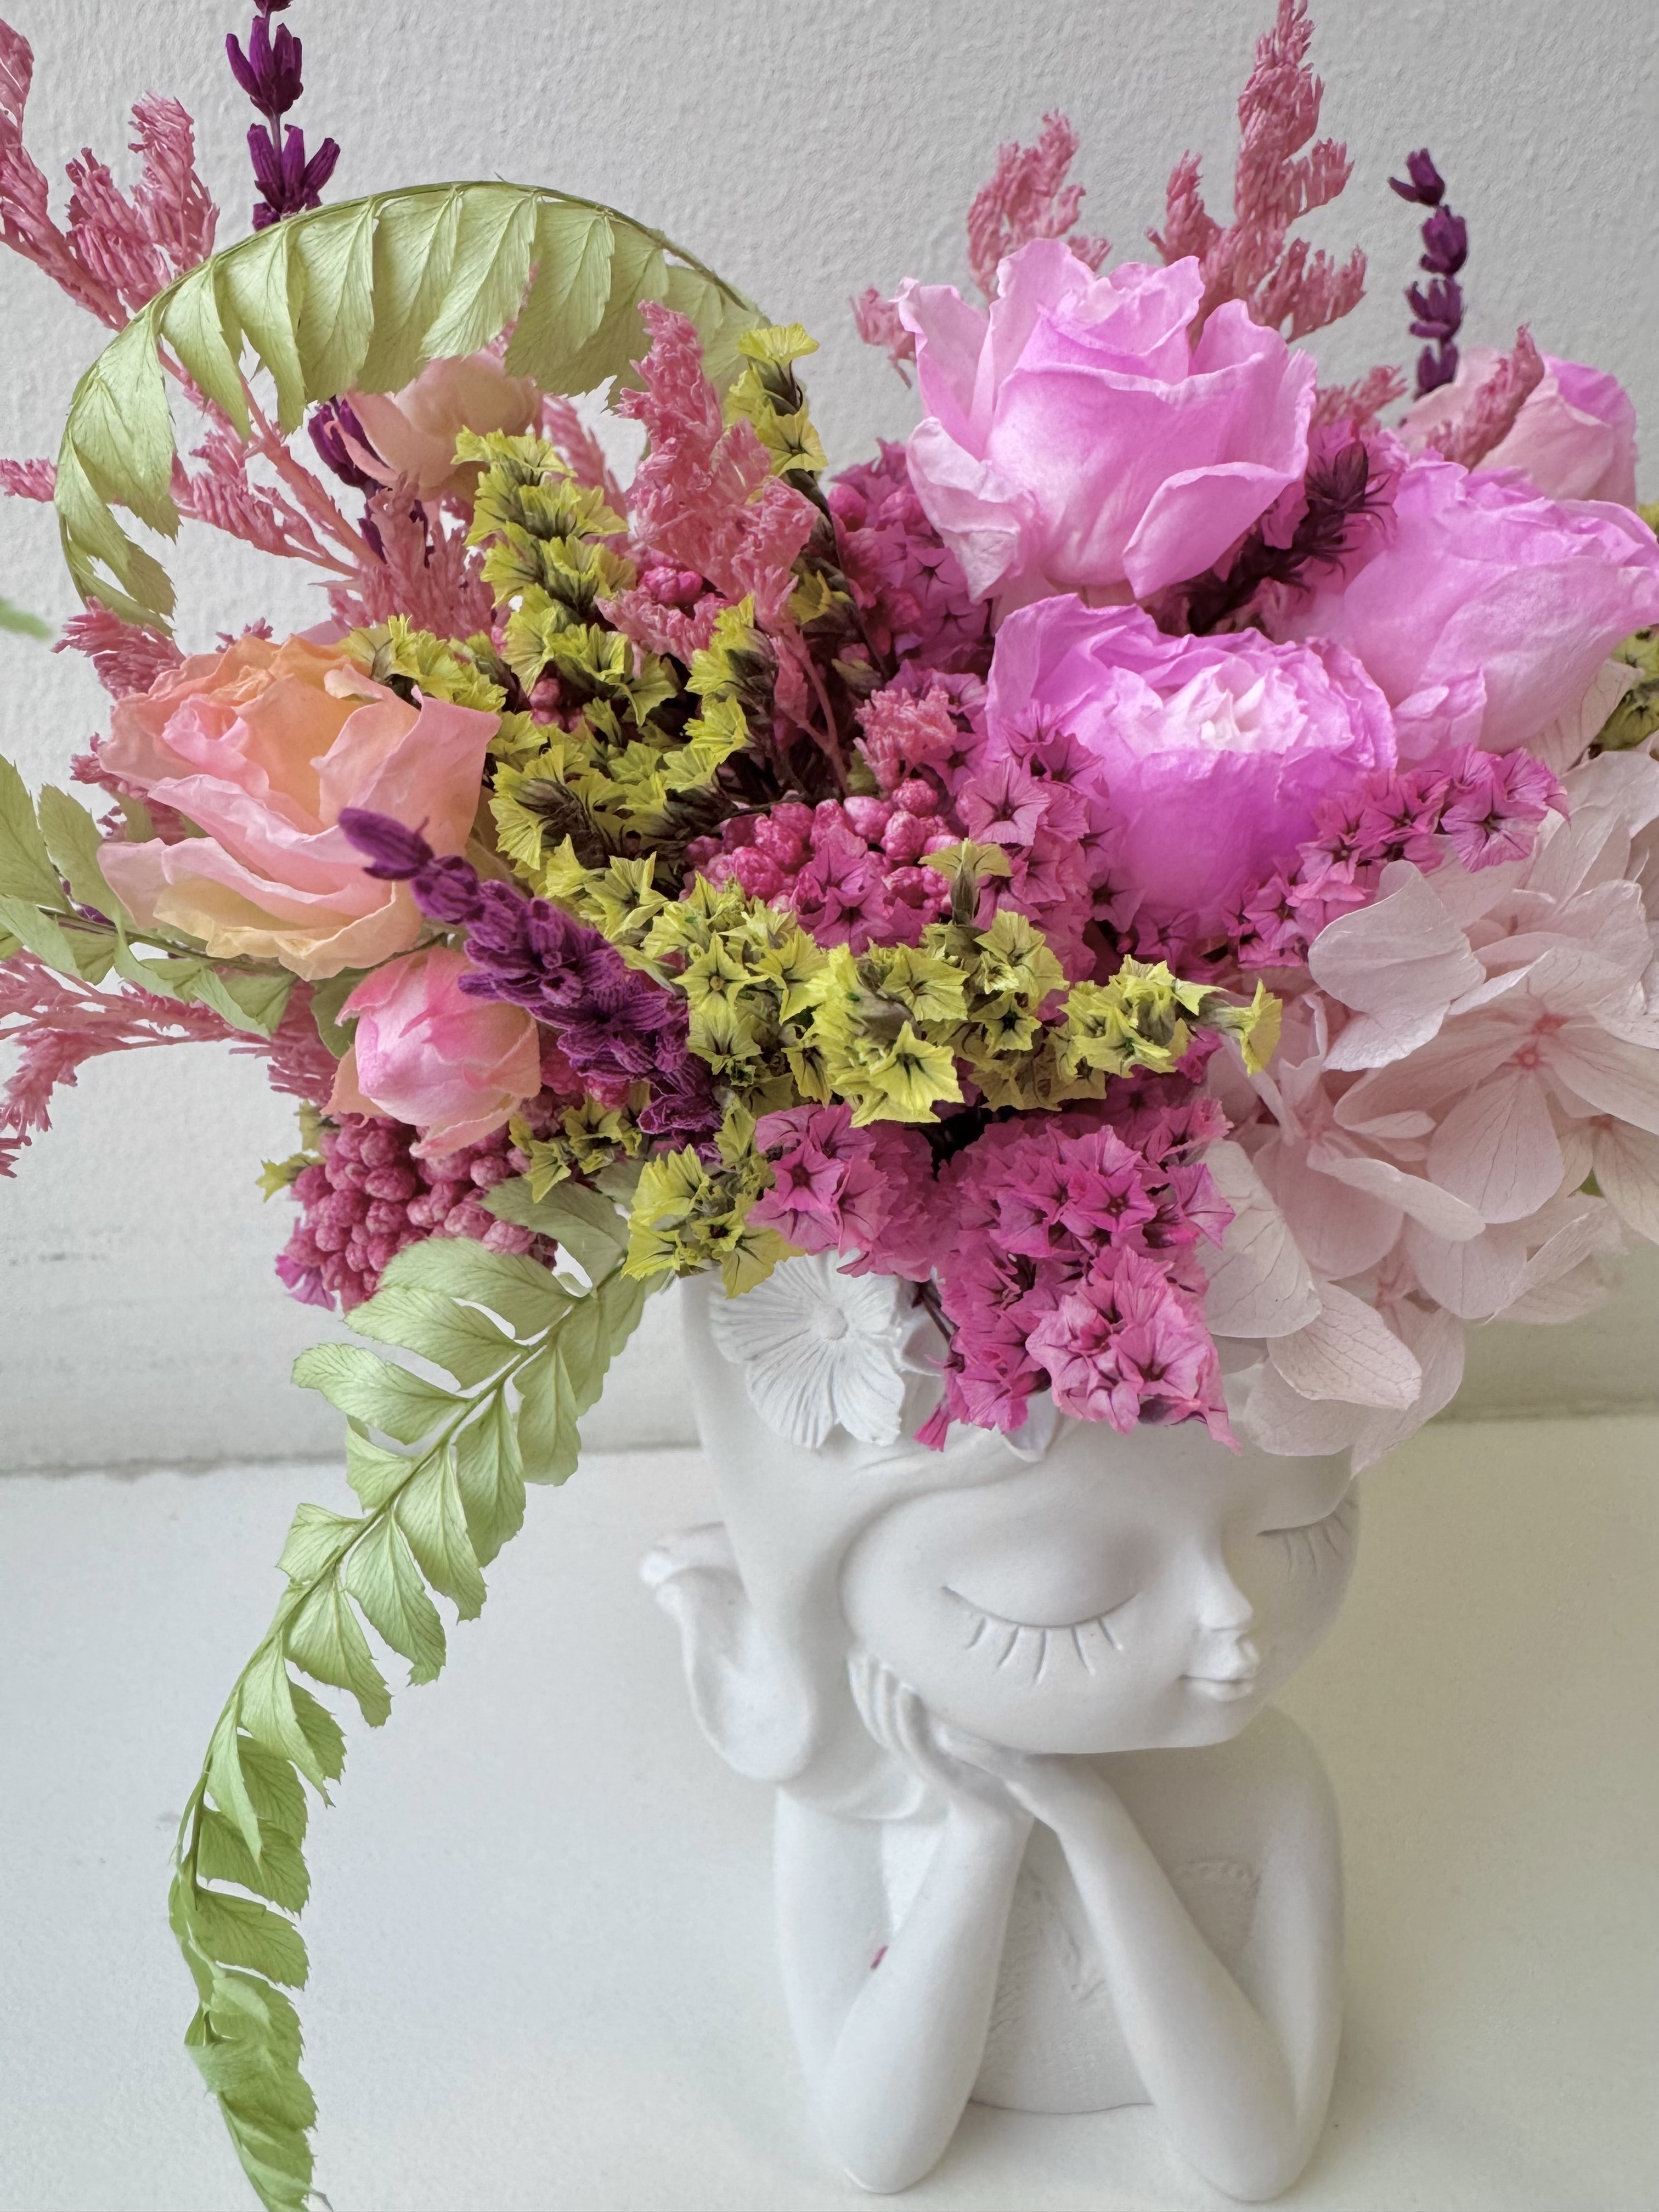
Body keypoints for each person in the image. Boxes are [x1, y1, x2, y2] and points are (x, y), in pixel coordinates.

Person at [646, 1271, 1356, 2199]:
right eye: (1067, 1602)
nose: (1232, 1614)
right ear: (838, 1609)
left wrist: (1098, 1832)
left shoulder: (1269, 1779)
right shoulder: (858, 1802)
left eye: (1297, 1529)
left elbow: (1254, 2157)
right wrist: (983, 1833)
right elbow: (878, 2150)